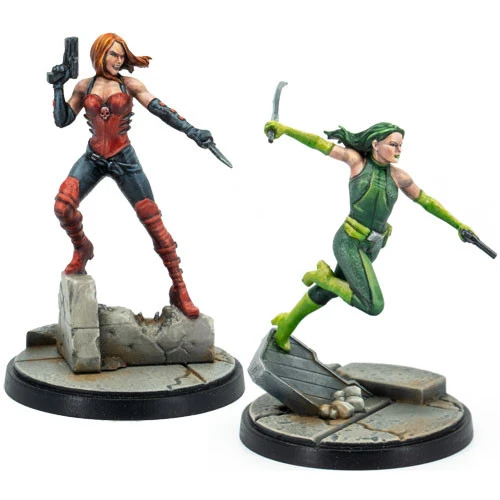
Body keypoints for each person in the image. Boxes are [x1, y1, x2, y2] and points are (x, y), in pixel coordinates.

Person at [264, 120, 475, 351]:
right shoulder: (357, 162)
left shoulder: (399, 177)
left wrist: (459, 225)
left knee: (329, 292)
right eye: (393, 144)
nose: (399, 150)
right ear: (375, 144)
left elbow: (428, 202)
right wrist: (286, 130)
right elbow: (318, 143)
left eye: (401, 145)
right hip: (349, 242)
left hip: (373, 247)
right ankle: (324, 277)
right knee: (373, 304)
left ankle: (286, 324)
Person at [50, 33, 213, 319]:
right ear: (99, 54)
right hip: (93, 158)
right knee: (63, 207)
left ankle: (179, 287)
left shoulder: (130, 85)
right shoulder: (84, 86)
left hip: (124, 159)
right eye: (113, 54)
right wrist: (57, 87)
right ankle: (82, 248)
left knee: (154, 224)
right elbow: (63, 120)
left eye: (121, 55)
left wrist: (192, 131)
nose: (119, 60)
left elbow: (161, 110)